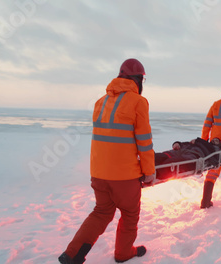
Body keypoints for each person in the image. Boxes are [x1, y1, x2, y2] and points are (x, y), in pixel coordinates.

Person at [58, 58, 155, 264]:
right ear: (138, 80)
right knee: (130, 214)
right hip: (125, 177)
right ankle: (123, 253)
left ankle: (72, 254)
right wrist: (149, 171)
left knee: (101, 212)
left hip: (99, 174)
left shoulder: (100, 102)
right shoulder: (138, 102)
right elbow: (144, 143)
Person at [155, 137, 221, 180]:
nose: (215, 140)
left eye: (217, 141)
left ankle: (154, 174)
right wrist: (177, 143)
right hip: (180, 150)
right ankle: (146, 168)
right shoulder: (199, 142)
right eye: (214, 139)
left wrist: (199, 141)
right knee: (158, 156)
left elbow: (216, 160)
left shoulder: (213, 150)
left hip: (194, 155)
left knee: (171, 163)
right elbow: (184, 143)